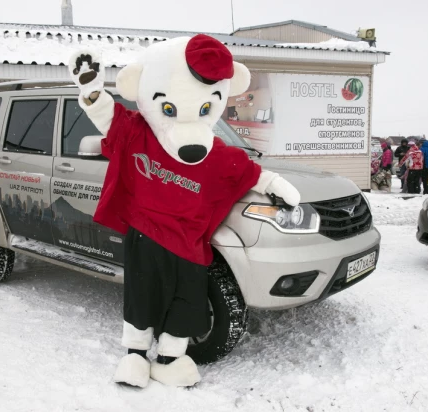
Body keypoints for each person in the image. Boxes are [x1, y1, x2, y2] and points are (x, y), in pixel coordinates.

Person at [68, 35, 301, 388]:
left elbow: (248, 171)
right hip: (146, 235)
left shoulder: (217, 152)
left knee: (187, 302)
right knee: (141, 295)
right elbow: (109, 119)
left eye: (206, 108)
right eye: (170, 108)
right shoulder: (139, 134)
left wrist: (275, 184)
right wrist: (94, 93)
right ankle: (134, 356)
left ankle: (169, 359)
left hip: (189, 244)